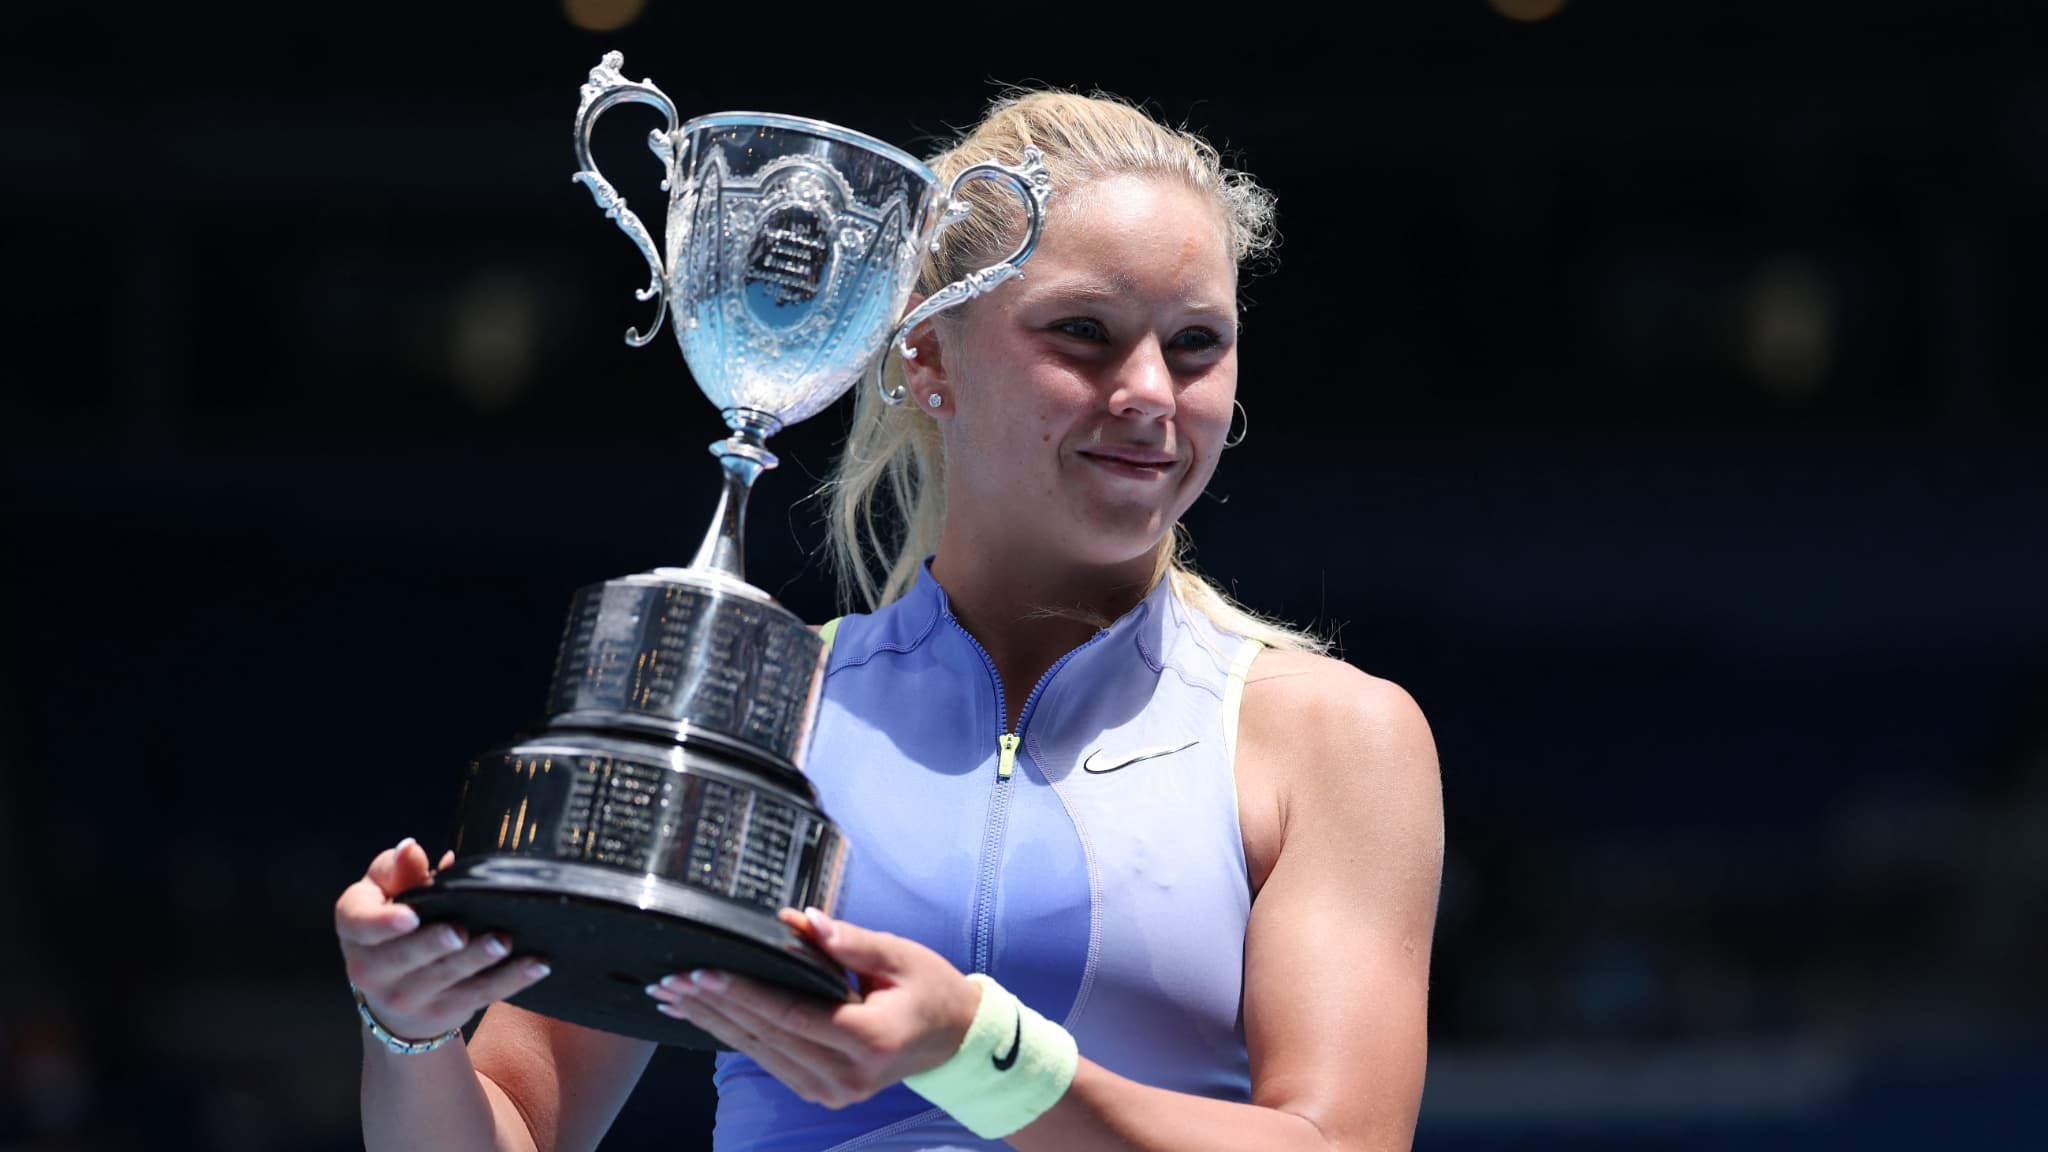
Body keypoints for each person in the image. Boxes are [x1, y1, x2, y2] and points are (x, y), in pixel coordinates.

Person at [335, 85, 1445, 1151]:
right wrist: (411, 1024)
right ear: (924, 353)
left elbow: (1340, 1141)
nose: (1150, 390)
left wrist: (974, 1050)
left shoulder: (1331, 737)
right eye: (1083, 332)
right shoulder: (753, 706)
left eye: (1195, 343)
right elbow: (517, 1127)